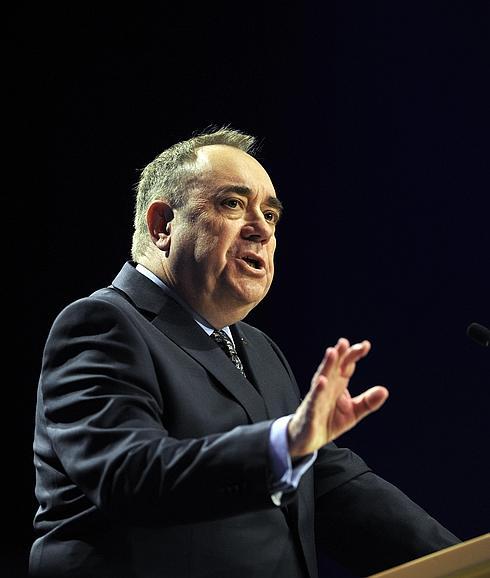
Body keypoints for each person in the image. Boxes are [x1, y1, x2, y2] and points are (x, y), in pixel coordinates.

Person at [30, 127, 459, 578]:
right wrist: (284, 444)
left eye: (270, 215)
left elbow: (328, 486)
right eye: (233, 204)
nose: (262, 229)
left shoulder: (259, 349)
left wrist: (464, 560)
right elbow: (132, 476)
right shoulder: (101, 325)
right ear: (162, 226)